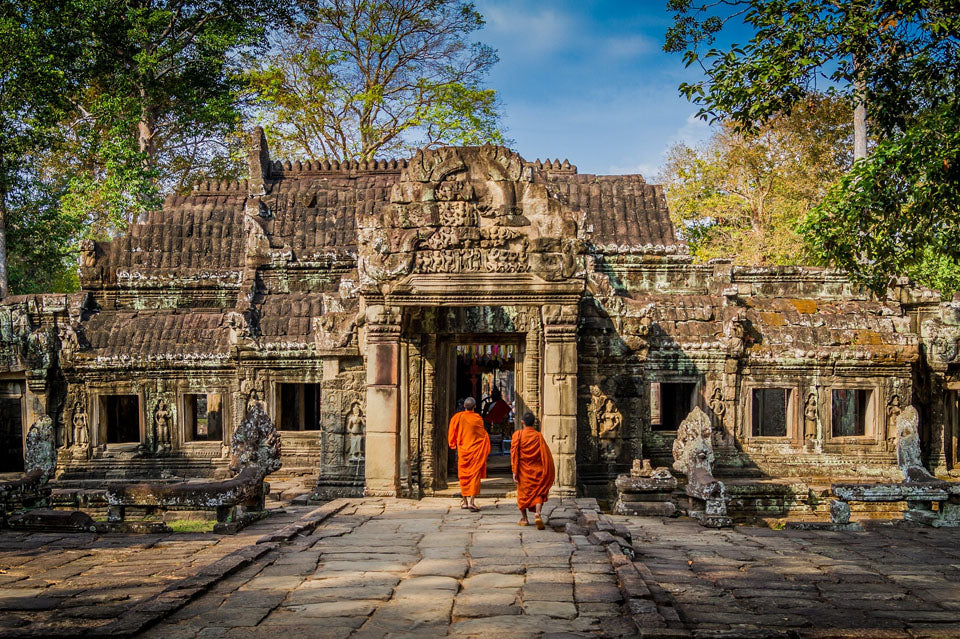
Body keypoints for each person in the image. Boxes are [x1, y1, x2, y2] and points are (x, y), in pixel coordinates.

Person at [511, 412, 556, 529]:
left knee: (523, 495)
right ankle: (537, 514)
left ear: (522, 422)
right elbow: (545, 455)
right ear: (534, 423)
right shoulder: (538, 436)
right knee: (538, 492)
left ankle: (524, 518)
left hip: (523, 470)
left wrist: (514, 471)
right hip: (537, 470)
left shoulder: (518, 435)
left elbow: (515, 455)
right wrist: (547, 469)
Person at [448, 397, 491, 512]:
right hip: (475, 451)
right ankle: (471, 501)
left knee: (463, 476)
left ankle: (465, 502)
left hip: (463, 451)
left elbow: (452, 432)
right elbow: (482, 435)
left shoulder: (457, 417)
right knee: (474, 476)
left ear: (464, 406)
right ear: (475, 406)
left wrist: (453, 443)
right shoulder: (477, 419)